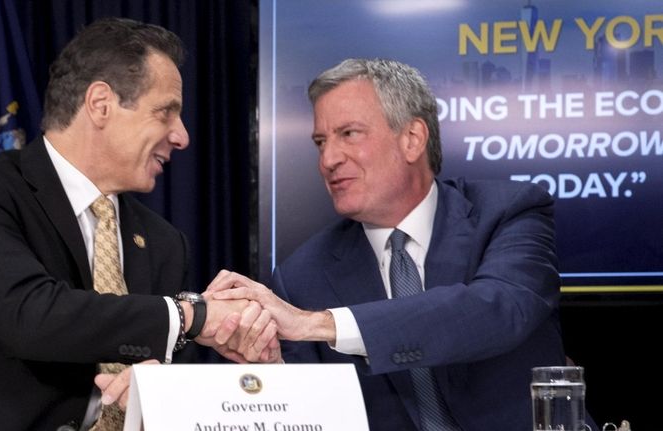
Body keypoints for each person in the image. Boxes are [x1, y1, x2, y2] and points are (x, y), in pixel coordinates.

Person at [0, 17, 276, 431]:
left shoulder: (163, 242)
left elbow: (171, 379)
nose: (182, 137)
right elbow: (29, 317)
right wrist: (190, 317)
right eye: (166, 113)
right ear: (101, 104)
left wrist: (165, 386)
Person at [211, 58, 581, 431]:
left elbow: (497, 309)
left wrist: (317, 324)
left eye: (349, 134)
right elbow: (306, 411)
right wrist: (271, 366)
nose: (328, 159)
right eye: (321, 142)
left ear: (412, 139)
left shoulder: (508, 213)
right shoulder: (302, 276)